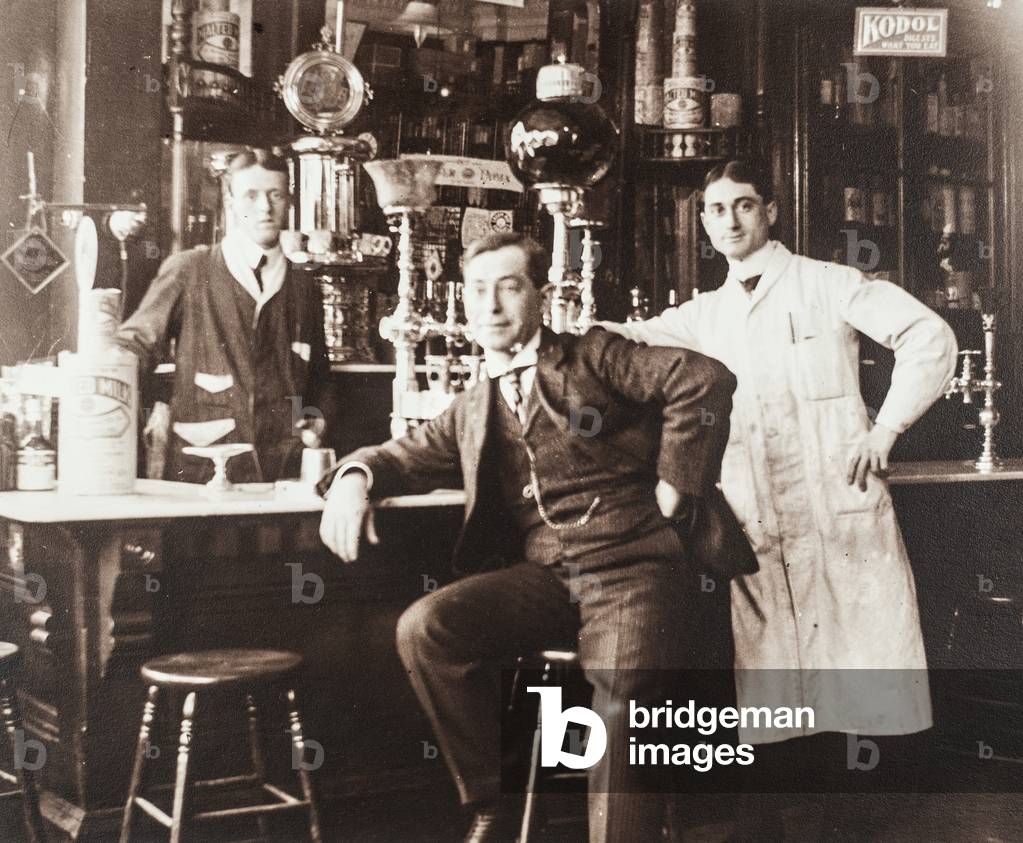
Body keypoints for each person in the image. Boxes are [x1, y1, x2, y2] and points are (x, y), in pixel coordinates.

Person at [318, 231, 741, 843]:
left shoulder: (594, 355)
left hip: (634, 570)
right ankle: (495, 798)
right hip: (547, 576)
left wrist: (678, 484)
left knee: (618, 713)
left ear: (540, 297)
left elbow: (703, 378)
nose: (491, 306)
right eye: (478, 292)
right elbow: (397, 455)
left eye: (508, 288)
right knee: (427, 628)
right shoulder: (474, 404)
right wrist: (354, 477)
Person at [601, 159, 958, 832]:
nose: (729, 220)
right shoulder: (706, 314)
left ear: (769, 210)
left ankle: (861, 821)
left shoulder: (829, 284)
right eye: (715, 209)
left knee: (860, 673)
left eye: (742, 204)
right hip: (757, 520)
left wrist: (886, 426)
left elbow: (929, 336)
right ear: (703, 223)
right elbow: (634, 338)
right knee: (774, 683)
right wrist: (570, 328)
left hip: (839, 510)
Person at [115, 149, 332, 483]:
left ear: (289, 201)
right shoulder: (191, 269)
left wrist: (317, 420)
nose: (265, 207)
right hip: (202, 473)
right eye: (251, 195)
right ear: (230, 202)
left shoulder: (303, 286)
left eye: (275, 195)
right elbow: (135, 344)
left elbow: (320, 379)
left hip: (281, 474)